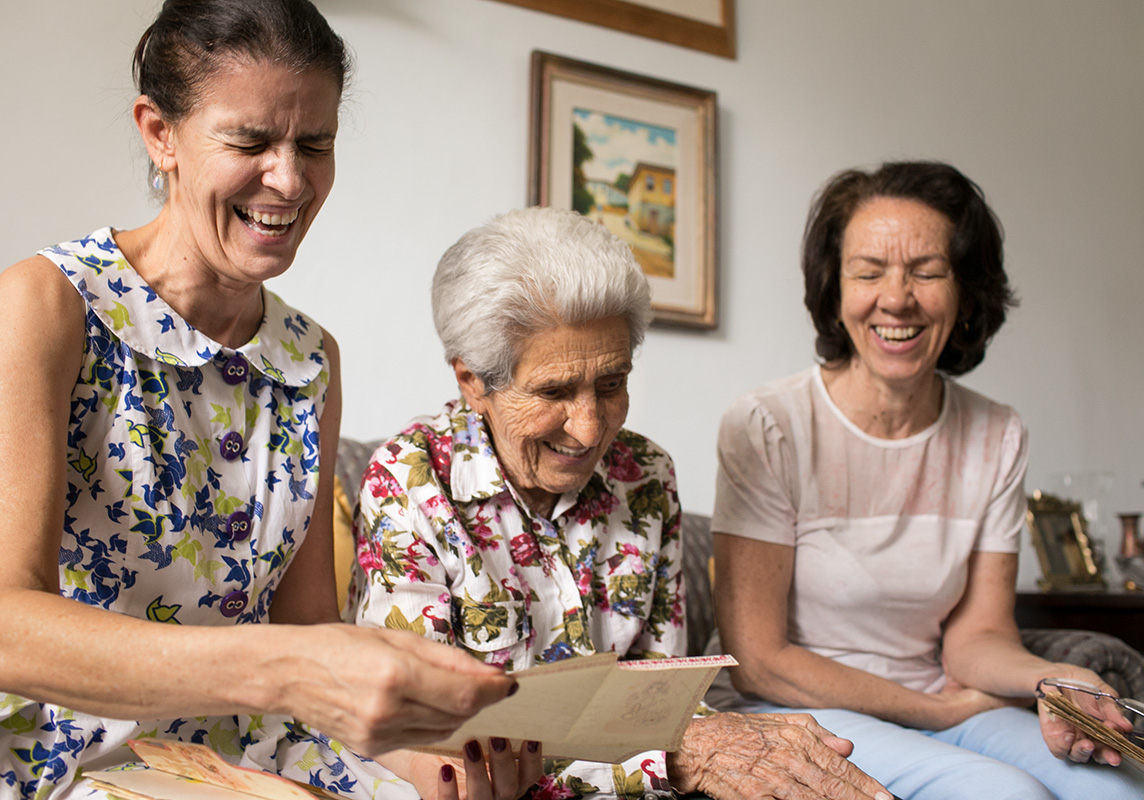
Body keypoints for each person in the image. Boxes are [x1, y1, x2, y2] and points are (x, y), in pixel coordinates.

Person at [0, 2, 530, 798]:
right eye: (250, 142)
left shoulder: (310, 359)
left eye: (314, 144)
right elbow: (0, 634)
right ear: (160, 133)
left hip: (242, 747)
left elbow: (306, 632)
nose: (289, 179)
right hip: (55, 743)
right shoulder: (49, 303)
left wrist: (439, 760)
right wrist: (284, 671)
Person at [351, 206, 895, 800]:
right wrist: (673, 765)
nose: (588, 430)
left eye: (611, 384)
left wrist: (741, 749)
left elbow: (663, 706)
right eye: (554, 391)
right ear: (473, 381)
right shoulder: (408, 482)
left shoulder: (647, 477)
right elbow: (427, 738)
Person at [707, 161, 1144, 800]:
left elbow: (979, 636)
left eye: (927, 271)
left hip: (943, 698)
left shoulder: (998, 433)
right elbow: (759, 660)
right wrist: (933, 711)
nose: (896, 297)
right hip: (792, 709)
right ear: (835, 290)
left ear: (966, 291)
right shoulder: (769, 424)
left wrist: (1053, 678)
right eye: (868, 271)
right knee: (1007, 795)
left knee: (1120, 788)